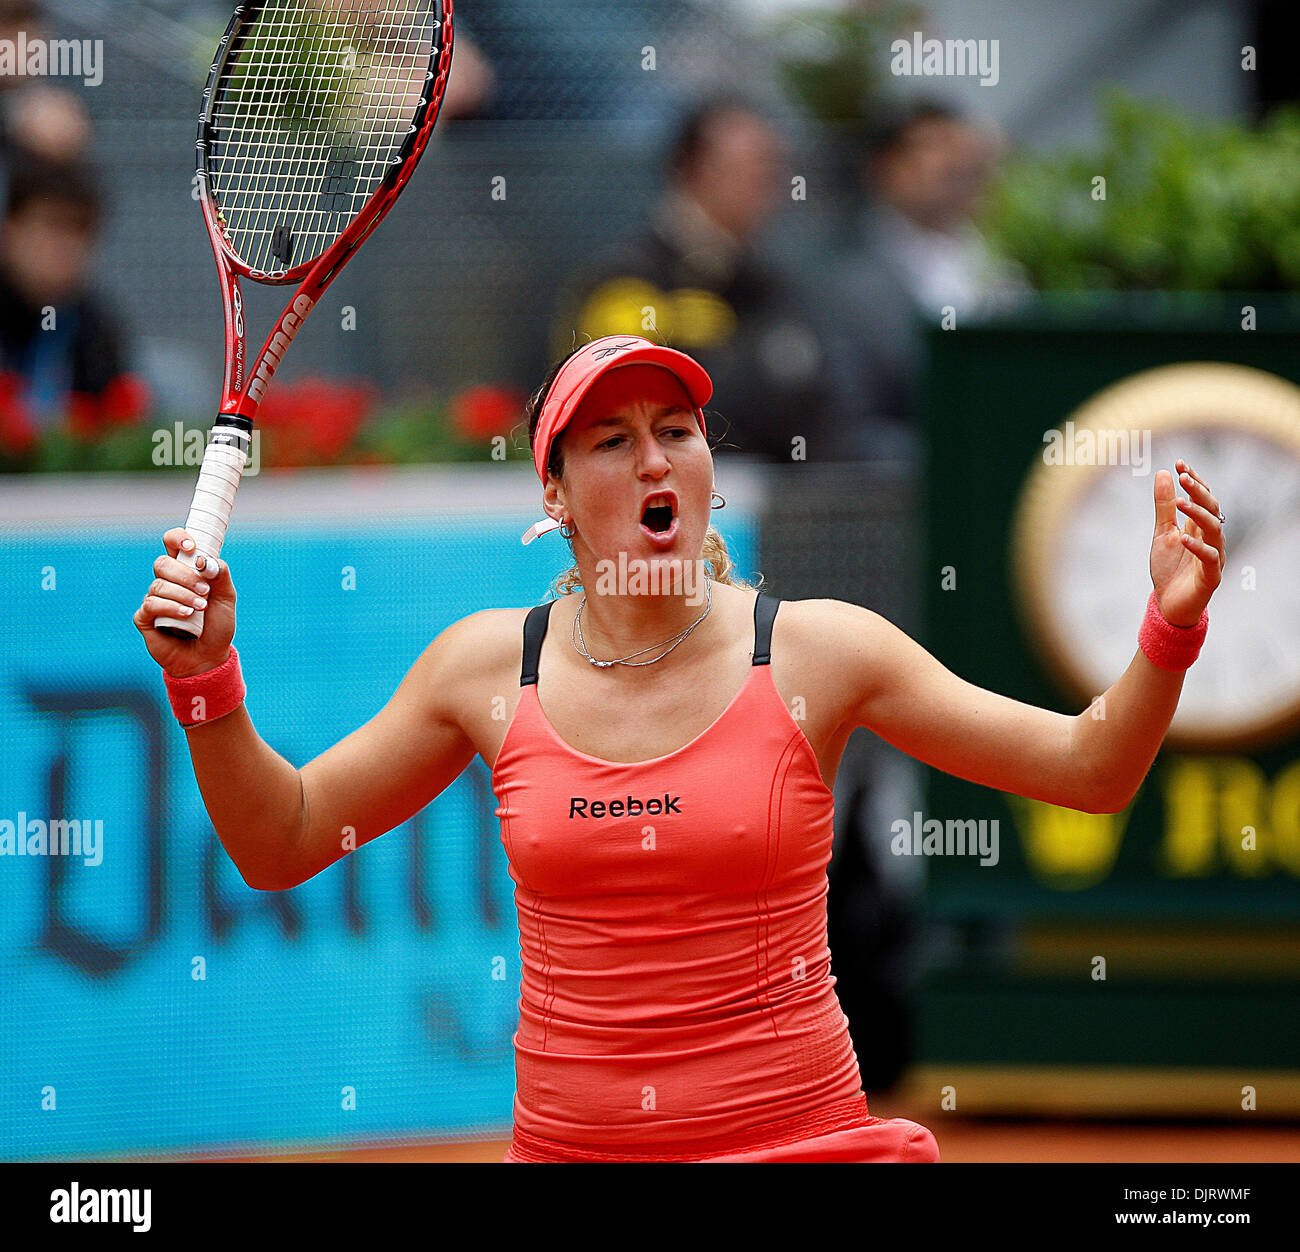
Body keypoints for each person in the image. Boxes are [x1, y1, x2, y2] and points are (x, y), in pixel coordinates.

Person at [132, 334, 1226, 1163]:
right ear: (553, 495)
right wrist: (205, 682)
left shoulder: (818, 650)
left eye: (677, 430)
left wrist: (1168, 626)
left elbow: (1092, 770)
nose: (654, 459)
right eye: (611, 441)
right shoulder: (480, 670)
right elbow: (279, 842)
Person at [552, 97, 840, 461]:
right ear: (691, 170)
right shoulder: (628, 278)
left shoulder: (772, 281)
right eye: (750, 167)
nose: (769, 184)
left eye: (773, 168)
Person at [828, 100, 1029, 457]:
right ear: (883, 166)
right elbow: (849, 428)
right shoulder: (843, 281)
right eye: (929, 146)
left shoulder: (1009, 264)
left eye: (957, 146)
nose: (952, 163)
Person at [0, 154, 149, 456]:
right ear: (10, 230)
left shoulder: (97, 325)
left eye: (79, 231)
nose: (66, 247)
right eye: (52, 226)